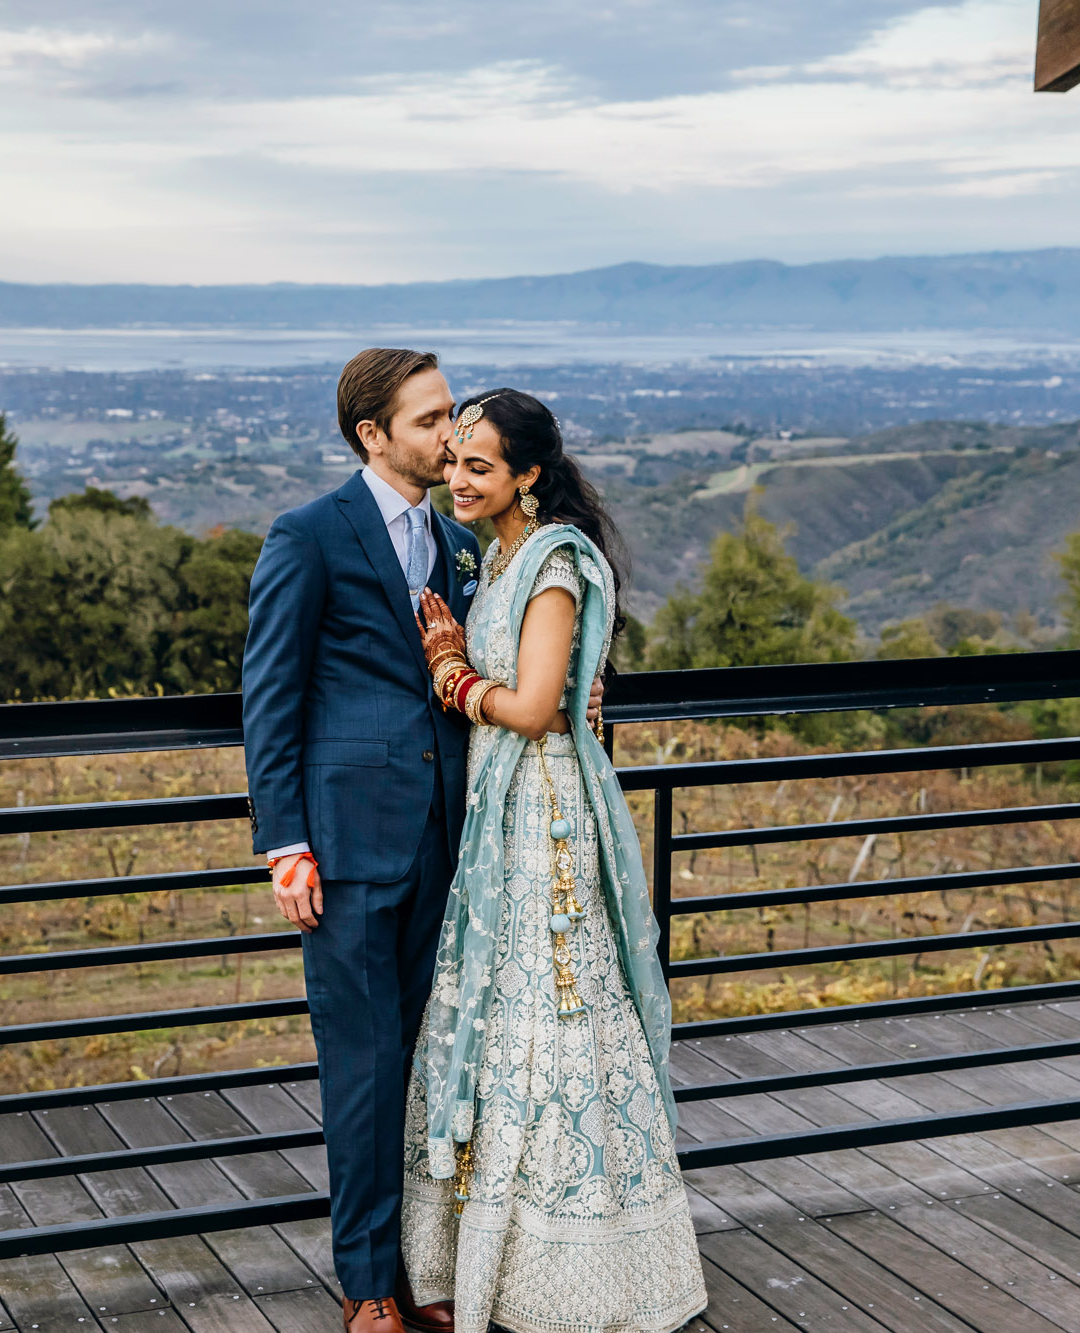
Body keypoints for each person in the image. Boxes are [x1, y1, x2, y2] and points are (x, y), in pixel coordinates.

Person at [242, 351, 605, 1333]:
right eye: (431, 419)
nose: (450, 436)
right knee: (361, 1069)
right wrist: (284, 842)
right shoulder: (308, 535)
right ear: (372, 434)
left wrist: (577, 696)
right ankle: (368, 1287)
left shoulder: (460, 542)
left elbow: (515, 657)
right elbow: (268, 699)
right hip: (350, 849)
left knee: (439, 1067)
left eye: (452, 418)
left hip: (460, 846)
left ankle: (428, 1267)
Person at [401, 390, 706, 1333]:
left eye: (478, 465)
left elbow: (535, 708)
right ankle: (491, 1256)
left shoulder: (553, 561)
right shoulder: (500, 556)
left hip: (544, 823)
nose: (457, 478)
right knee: (503, 1012)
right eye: (452, 459)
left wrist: (454, 676)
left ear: (527, 474)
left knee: (552, 1013)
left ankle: (573, 1267)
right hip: (507, 812)